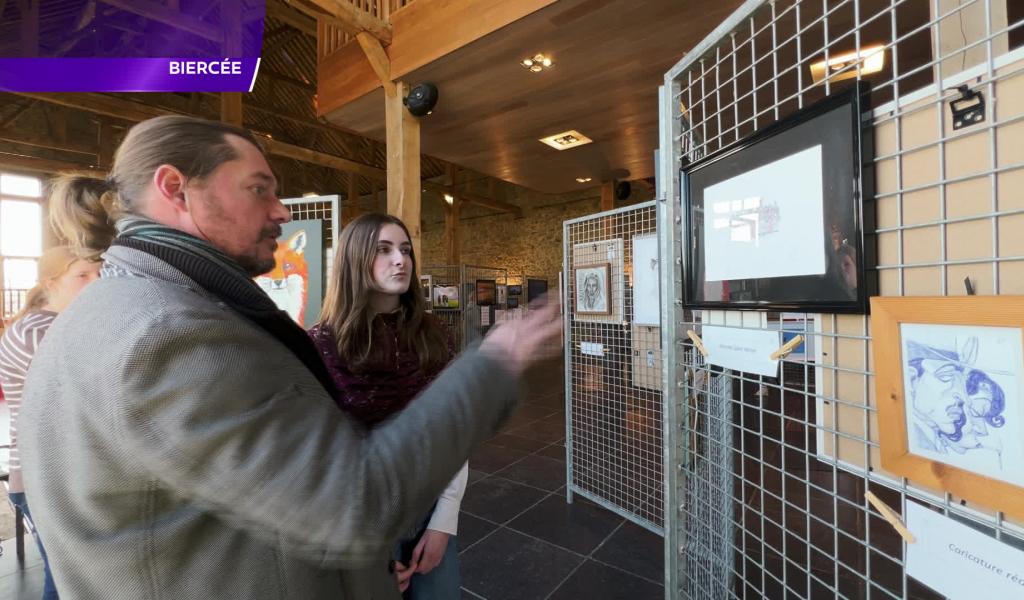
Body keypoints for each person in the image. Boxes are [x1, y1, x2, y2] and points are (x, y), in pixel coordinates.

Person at [18, 115, 562, 600]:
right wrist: (496, 361)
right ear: (175, 188)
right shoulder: (164, 333)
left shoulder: (145, 310)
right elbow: (347, 500)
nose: (280, 210)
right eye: (258, 189)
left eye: (406, 249)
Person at [310, 213, 465, 598]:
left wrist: (444, 521)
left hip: (429, 506)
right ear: (353, 259)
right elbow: (319, 457)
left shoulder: (435, 335)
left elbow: (456, 432)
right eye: (383, 250)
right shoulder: (321, 345)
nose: (401, 260)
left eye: (405, 250)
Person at [0, 246, 102, 600]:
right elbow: (84, 399)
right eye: (82, 275)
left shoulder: (61, 326)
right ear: (50, 282)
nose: (96, 283)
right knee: (69, 585)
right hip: (45, 475)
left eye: (100, 273)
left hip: (62, 471)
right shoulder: (38, 332)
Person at [904, 339, 970, 453]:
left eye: (961, 383)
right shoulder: (912, 441)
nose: (963, 397)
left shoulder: (932, 442)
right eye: (947, 377)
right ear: (911, 379)